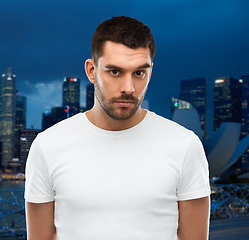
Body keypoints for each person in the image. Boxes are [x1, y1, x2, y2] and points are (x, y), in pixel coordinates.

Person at [24, 16, 210, 240]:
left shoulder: (184, 145)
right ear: (92, 71)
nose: (129, 88)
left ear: (151, 71)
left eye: (139, 73)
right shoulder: (48, 146)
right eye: (115, 72)